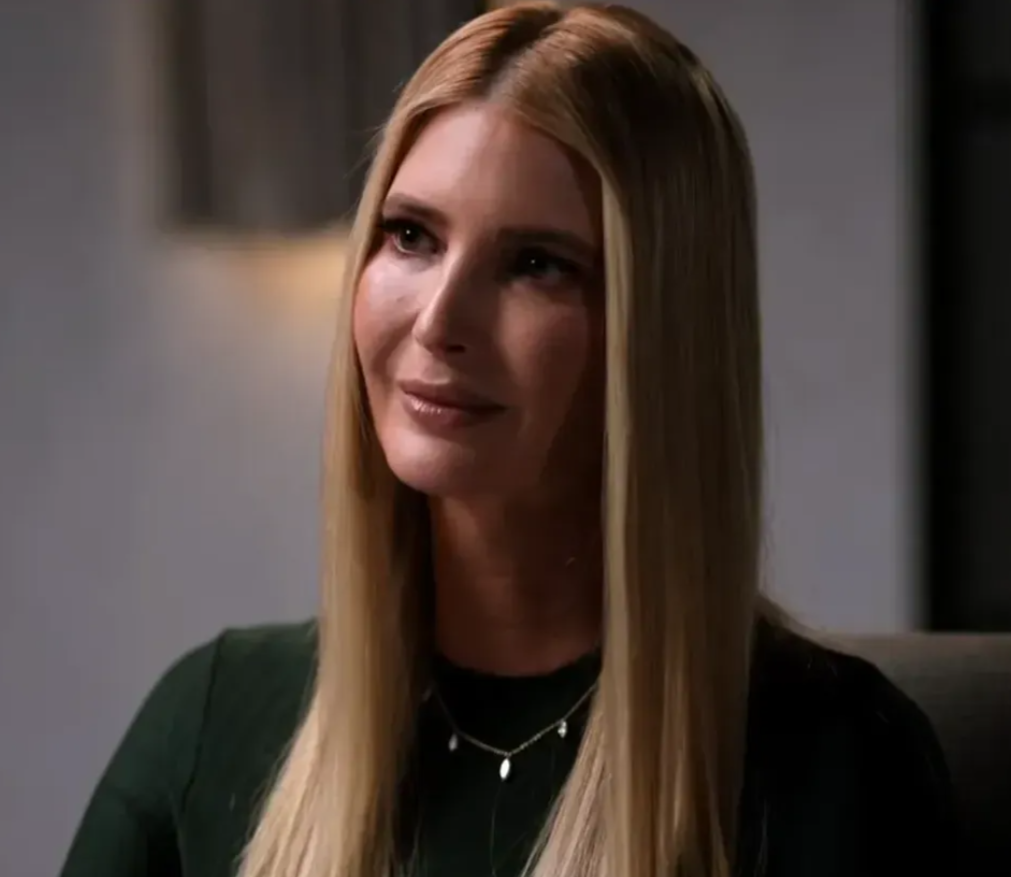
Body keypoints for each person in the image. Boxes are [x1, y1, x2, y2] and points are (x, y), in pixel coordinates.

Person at [59, 3, 955, 876]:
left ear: (661, 334)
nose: (439, 321)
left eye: (535, 264)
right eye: (411, 236)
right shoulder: (213, 720)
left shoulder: (836, 763)